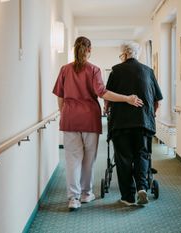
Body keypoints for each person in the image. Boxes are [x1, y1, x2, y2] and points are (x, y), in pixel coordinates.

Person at [52, 36, 143, 211]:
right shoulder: (94, 70)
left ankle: (73, 198)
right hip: (89, 119)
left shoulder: (64, 70)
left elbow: (60, 97)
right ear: (89, 50)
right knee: (88, 160)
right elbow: (103, 93)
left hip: (70, 118)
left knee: (72, 159)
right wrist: (127, 99)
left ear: (74, 49)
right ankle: (86, 194)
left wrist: (64, 113)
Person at [105, 41, 163, 206]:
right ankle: (142, 188)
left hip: (121, 123)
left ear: (123, 54)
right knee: (141, 155)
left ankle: (128, 197)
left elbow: (107, 97)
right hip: (143, 123)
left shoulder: (116, 71)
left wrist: (107, 109)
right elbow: (158, 101)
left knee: (123, 158)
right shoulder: (148, 71)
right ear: (137, 54)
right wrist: (150, 114)